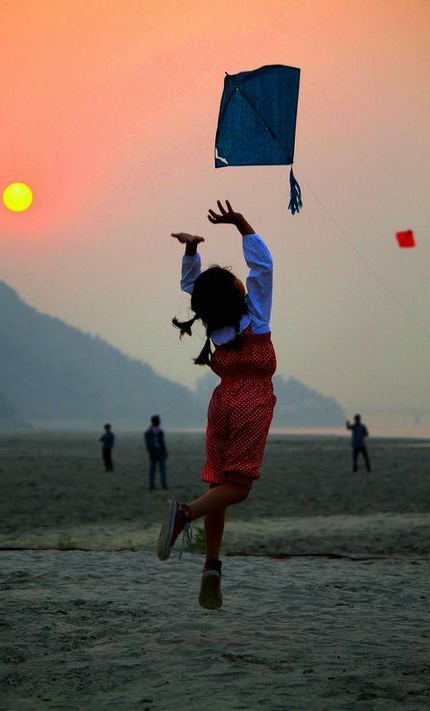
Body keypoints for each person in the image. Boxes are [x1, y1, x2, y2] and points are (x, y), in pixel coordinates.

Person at [157, 200, 277, 610]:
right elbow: (263, 268)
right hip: (251, 402)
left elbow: (195, 287)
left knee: (220, 486)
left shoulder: (214, 320)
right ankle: (184, 515)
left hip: (221, 403)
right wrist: (242, 223)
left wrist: (192, 251)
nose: (243, 283)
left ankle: (211, 569)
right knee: (239, 488)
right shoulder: (254, 317)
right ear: (237, 294)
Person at [144, 415, 168, 490]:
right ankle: (163, 484)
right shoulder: (160, 431)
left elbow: (147, 444)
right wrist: (165, 451)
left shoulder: (148, 432)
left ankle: (152, 484)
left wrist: (150, 451)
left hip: (153, 452)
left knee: (152, 470)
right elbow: (162, 443)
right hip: (159, 452)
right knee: (162, 469)